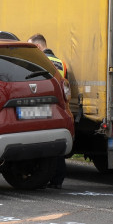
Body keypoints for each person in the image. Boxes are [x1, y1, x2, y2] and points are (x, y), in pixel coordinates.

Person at [29, 33, 68, 190]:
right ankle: (58, 180)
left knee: (43, 146)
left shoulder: (38, 61)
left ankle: (41, 177)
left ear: (38, 47)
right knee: (58, 147)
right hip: (58, 109)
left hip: (41, 107)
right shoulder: (61, 63)